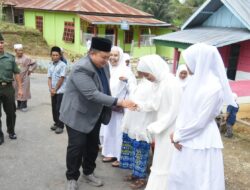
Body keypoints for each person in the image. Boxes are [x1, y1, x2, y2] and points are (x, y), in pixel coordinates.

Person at [59, 37, 136, 190]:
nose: (107, 60)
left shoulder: (103, 65)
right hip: (77, 114)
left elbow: (105, 87)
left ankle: (88, 172)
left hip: (94, 113)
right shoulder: (81, 68)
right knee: (77, 147)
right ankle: (72, 177)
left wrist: (110, 104)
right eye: (104, 57)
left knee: (93, 146)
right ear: (92, 53)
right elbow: (92, 94)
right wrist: (118, 102)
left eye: (108, 57)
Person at [169, 43, 237, 190]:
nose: (186, 66)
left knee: (199, 179)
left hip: (201, 140)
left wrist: (178, 135)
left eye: (188, 62)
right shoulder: (195, 81)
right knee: (183, 178)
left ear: (199, 61)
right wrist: (177, 131)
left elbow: (201, 121)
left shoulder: (214, 87)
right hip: (186, 137)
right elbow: (186, 111)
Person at [134, 54, 182, 190]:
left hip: (170, 128)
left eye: (147, 75)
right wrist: (138, 106)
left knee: (165, 162)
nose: (147, 79)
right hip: (162, 128)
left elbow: (174, 111)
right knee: (160, 161)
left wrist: (154, 127)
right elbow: (155, 104)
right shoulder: (160, 83)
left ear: (154, 68)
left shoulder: (171, 83)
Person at [101, 46, 136, 167]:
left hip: (121, 107)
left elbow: (133, 88)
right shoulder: (106, 69)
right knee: (109, 130)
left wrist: (127, 82)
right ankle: (110, 152)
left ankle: (120, 156)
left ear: (120, 56)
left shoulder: (126, 71)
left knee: (119, 131)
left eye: (116, 55)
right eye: (111, 55)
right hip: (109, 105)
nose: (113, 58)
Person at [120, 76, 156, 189]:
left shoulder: (154, 85)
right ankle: (136, 174)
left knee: (141, 150)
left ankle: (141, 178)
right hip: (134, 121)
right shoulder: (142, 82)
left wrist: (138, 106)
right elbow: (133, 91)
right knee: (134, 149)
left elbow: (154, 104)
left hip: (144, 122)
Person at [0, 32, 23, 145]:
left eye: (1, 42)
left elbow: (17, 73)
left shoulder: (10, 58)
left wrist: (20, 89)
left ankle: (11, 130)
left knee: (11, 112)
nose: (0, 45)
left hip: (8, 88)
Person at [48, 46, 67, 134]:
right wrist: (50, 89)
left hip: (61, 91)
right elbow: (49, 78)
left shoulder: (63, 65)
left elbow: (61, 78)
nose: (55, 57)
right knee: (54, 108)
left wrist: (55, 89)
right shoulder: (50, 64)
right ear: (51, 56)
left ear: (60, 56)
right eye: (53, 55)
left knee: (59, 108)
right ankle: (56, 122)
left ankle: (60, 125)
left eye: (56, 55)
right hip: (53, 91)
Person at [14, 44, 37, 112]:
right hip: (16, 78)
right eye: (19, 50)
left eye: (22, 50)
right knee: (17, 91)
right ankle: (19, 105)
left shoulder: (27, 58)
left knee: (24, 91)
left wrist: (30, 70)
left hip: (25, 78)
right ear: (15, 51)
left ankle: (24, 106)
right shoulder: (14, 58)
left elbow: (35, 63)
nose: (21, 52)